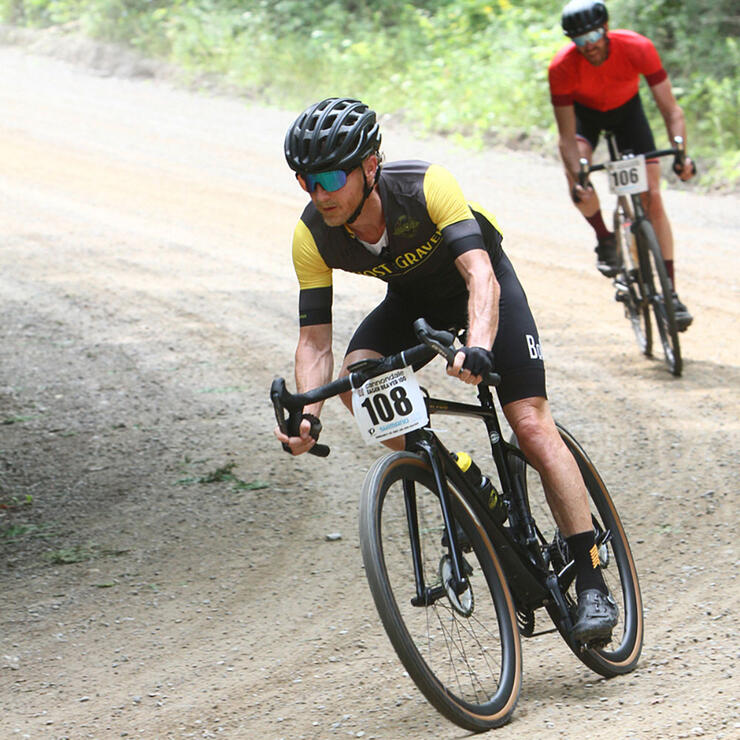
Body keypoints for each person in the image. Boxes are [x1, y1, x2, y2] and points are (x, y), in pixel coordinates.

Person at [273, 96, 618, 641]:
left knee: (528, 423)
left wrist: (477, 345)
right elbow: (314, 341)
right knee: (358, 378)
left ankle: (593, 578)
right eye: (306, 180)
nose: (319, 193)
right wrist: (306, 412)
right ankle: (459, 476)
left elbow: (480, 273)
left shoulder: (425, 185)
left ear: (369, 165)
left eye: (330, 177)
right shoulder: (311, 234)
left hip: (481, 287)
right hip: (413, 303)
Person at [549, 0, 695, 330]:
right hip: (586, 119)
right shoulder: (561, 67)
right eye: (580, 41)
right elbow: (567, 137)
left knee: (652, 197)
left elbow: (671, 110)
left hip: (629, 114)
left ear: (607, 29)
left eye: (595, 36)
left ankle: (670, 293)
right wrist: (577, 175)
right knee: (578, 179)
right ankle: (605, 237)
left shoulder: (637, 47)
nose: (590, 46)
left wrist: (681, 154)